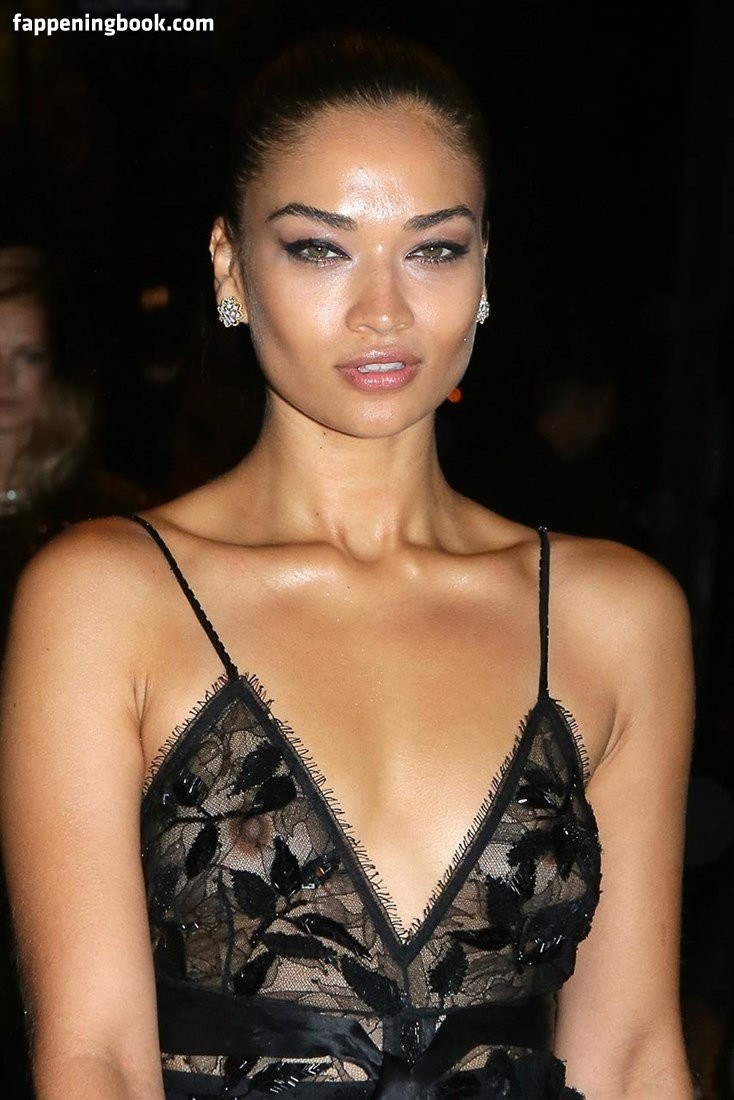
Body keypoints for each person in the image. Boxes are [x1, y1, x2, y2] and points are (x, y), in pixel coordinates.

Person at [0, 29, 694, 1100]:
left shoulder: (615, 613)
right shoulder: (106, 596)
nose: (383, 310)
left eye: (433, 249)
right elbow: (93, 1059)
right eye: (320, 248)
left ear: (484, 266)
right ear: (229, 265)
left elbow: (635, 1052)